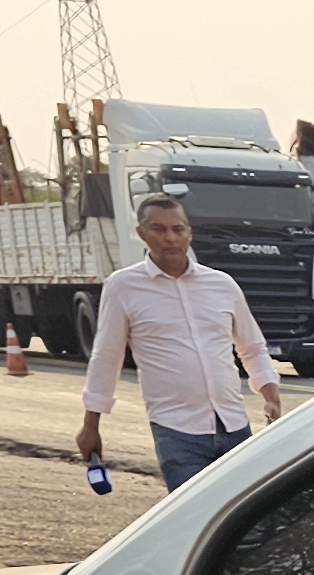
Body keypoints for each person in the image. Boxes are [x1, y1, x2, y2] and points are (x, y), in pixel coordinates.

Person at [75, 193, 280, 488]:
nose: (171, 237)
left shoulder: (221, 285)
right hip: (177, 433)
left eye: (178, 229)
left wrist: (271, 397)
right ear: (141, 234)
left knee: (249, 521)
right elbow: (106, 359)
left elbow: (253, 347)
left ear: (189, 233)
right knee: (196, 522)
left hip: (234, 426)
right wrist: (90, 426)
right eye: (159, 229)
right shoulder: (124, 287)